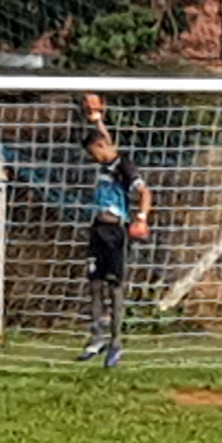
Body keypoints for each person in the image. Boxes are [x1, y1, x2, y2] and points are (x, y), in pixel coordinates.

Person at [79, 123, 150, 367]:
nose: (92, 158)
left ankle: (116, 343)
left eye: (93, 152)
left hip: (116, 232)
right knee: (94, 284)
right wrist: (97, 117)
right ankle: (97, 337)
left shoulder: (125, 167)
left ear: (100, 147)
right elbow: (104, 140)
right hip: (97, 231)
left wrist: (141, 218)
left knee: (115, 287)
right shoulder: (103, 163)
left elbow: (145, 192)